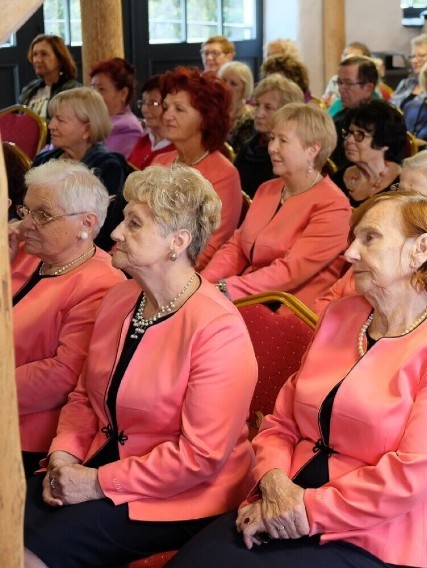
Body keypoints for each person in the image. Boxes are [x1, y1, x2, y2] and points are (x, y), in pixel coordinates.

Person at [169, 191, 427, 568]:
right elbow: (279, 424)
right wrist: (271, 483)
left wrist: (301, 510)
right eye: (355, 238)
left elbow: (408, 478)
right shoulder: (342, 315)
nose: (351, 253)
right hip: (284, 498)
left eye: (370, 238)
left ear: (420, 250)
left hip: (378, 535)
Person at [23, 164, 258, 567]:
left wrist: (96, 482)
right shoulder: (119, 299)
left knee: (34, 550)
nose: (115, 233)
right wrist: (64, 456)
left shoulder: (218, 329)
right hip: (101, 462)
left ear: (177, 242)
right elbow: (83, 397)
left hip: (178, 494)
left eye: (134, 223)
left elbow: (200, 458)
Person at [11, 161, 126, 476]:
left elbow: (63, 375)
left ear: (86, 223)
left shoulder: (102, 283)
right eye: (26, 211)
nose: (27, 224)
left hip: (23, 431)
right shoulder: (24, 252)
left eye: (42, 215)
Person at [317, 150, 427, 343]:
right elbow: (328, 302)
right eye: (400, 191)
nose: (401, 202)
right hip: (339, 343)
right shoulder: (381, 241)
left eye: (415, 196)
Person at [202, 103, 351, 307]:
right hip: (249, 297)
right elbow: (237, 246)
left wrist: (224, 289)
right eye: (272, 138)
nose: (272, 148)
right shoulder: (268, 189)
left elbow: (289, 272)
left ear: (312, 150)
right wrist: (203, 282)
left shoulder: (333, 205)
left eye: (283, 140)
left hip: (291, 310)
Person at [151, 67, 241, 269]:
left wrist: (158, 272)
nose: (167, 116)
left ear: (205, 119)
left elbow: (209, 248)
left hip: (183, 275)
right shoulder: (159, 161)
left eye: (179, 109)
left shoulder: (223, 174)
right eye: (166, 107)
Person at [33, 87, 128, 251]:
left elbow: (101, 230)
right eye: (52, 118)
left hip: (79, 252)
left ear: (87, 129)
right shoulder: (44, 160)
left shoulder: (107, 166)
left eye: (60, 120)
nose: (51, 126)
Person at [233, 75, 304, 198]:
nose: (259, 114)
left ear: (287, 112)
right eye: (257, 105)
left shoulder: (293, 154)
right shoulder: (249, 146)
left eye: (268, 107)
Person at [335, 99, 407, 207]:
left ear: (384, 142)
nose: (349, 140)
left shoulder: (402, 186)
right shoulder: (338, 180)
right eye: (349, 133)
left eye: (360, 134)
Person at [328, 56, 380, 174]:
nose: (341, 89)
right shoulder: (339, 117)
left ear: (368, 88)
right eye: (339, 83)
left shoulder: (386, 121)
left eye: (348, 83)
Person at [18, 34, 81, 121]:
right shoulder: (29, 89)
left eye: (44, 54)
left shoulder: (73, 91)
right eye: (35, 54)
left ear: (60, 59)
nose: (37, 60)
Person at [89, 58, 144, 157]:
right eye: (92, 88)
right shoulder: (99, 119)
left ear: (123, 93)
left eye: (102, 89)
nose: (94, 95)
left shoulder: (127, 128)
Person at [127, 75, 175, 169]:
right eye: (143, 102)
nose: (144, 109)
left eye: (153, 103)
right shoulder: (144, 138)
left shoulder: (177, 147)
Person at [390, 33, 427, 111]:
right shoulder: (406, 83)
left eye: (421, 56)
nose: (415, 61)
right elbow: (389, 108)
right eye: (413, 56)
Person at [321, 42, 373, 109]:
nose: (347, 60)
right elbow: (326, 98)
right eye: (345, 55)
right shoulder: (334, 79)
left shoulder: (369, 83)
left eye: (353, 58)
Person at [218, 61, 256, 150]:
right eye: (223, 81)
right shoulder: (213, 113)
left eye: (233, 84)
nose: (226, 87)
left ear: (245, 88)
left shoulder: (250, 119)